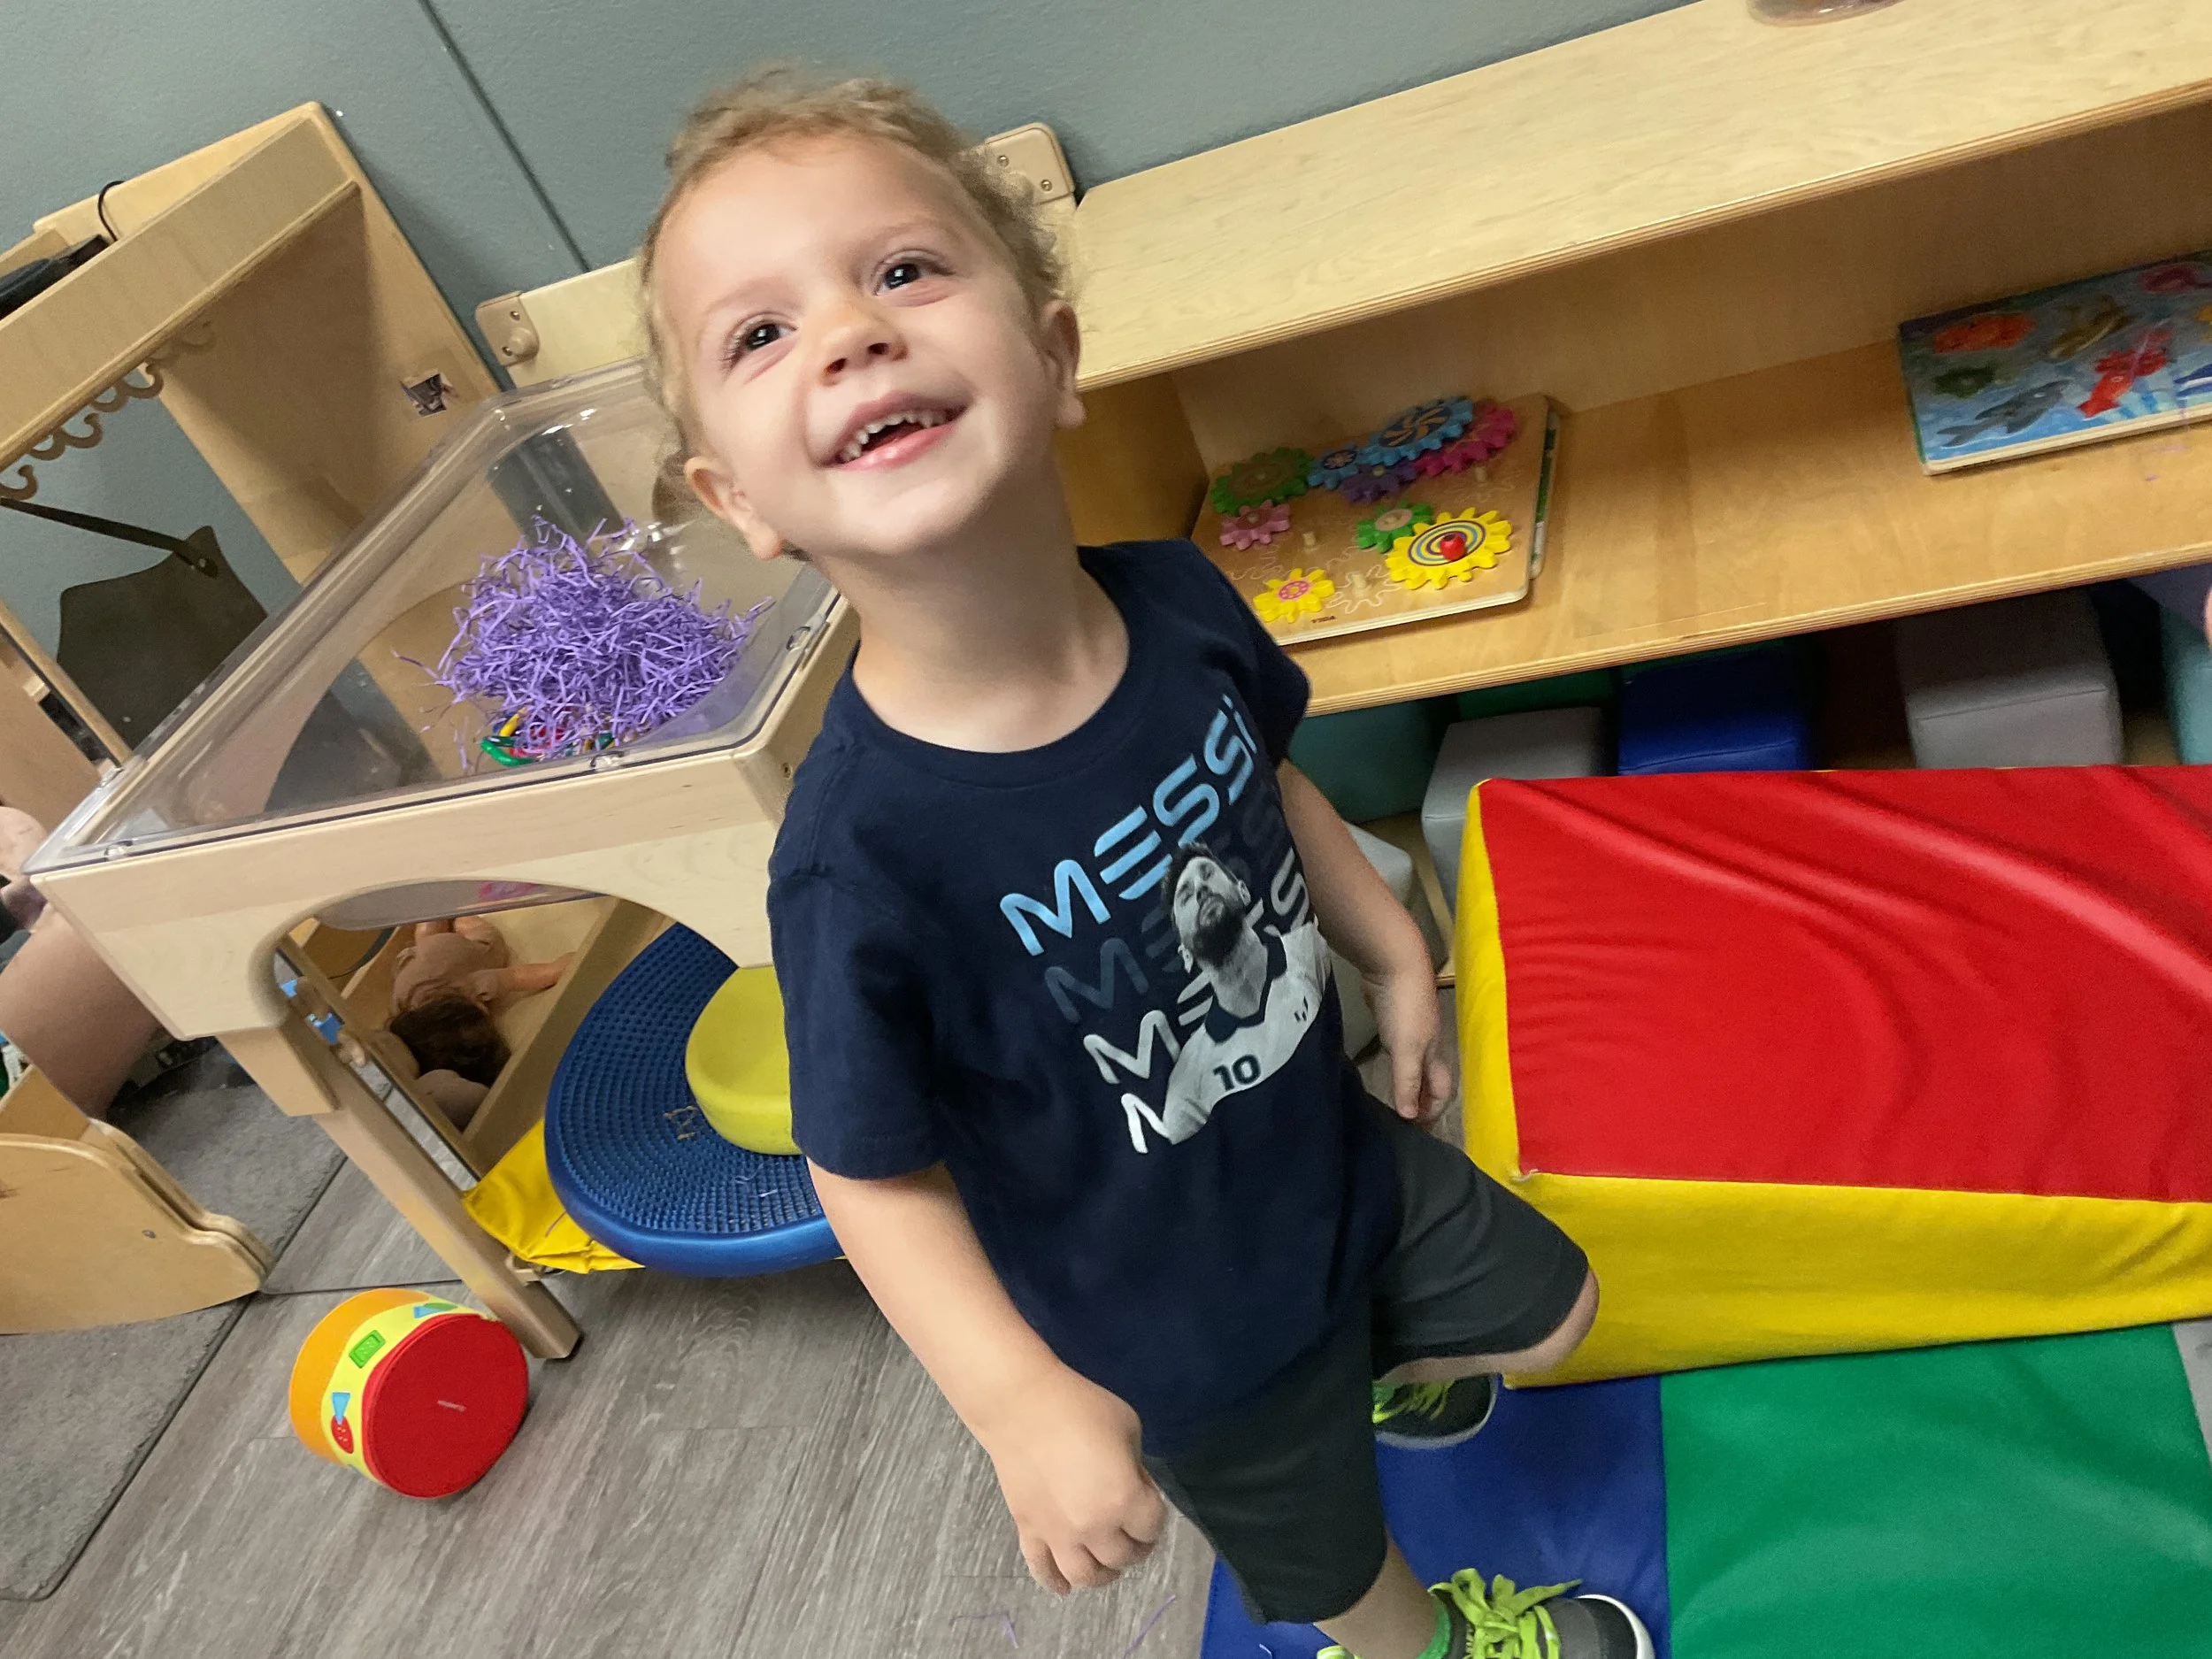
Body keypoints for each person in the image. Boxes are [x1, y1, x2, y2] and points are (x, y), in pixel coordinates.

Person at [641, 68, 1647, 1659]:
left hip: (1322, 1156)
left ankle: (1376, 1364)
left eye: (903, 268)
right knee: (1342, 1572)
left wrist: (1391, 944)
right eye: (759, 333)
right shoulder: (864, 858)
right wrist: (1017, 1400)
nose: (849, 333)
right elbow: (864, 1165)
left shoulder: (1176, 603)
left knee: (1561, 1310)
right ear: (738, 498)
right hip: (1178, 1323)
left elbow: (1266, 781)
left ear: (1052, 355)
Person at [386, 917, 569, 1125]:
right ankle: (431, 924)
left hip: (455, 951)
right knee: (428, 940)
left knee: (491, 943)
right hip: (412, 960)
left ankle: (463, 919)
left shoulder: (471, 986)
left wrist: (553, 970)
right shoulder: (402, 1006)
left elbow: (516, 976)